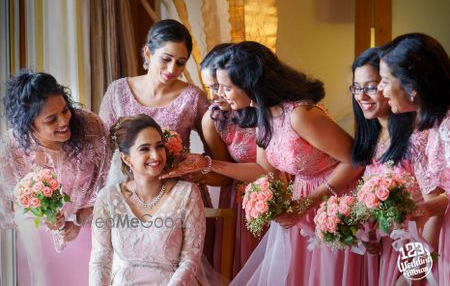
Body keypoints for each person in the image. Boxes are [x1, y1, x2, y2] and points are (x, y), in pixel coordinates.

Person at [163, 41, 364, 285]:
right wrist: (206, 164)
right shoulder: (263, 116)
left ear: (250, 83)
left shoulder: (301, 115)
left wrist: (308, 203)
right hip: (302, 203)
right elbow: (263, 170)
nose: (220, 96)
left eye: (226, 87)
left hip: (335, 198)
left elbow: (355, 160)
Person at [98, 19, 214, 260]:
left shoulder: (193, 97)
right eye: (166, 58)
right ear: (148, 53)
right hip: (126, 199)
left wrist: (192, 167)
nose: (172, 69)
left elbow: (215, 156)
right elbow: (101, 150)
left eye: (180, 63)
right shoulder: (117, 91)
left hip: (177, 202)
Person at [0, 71, 111, 285]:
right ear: (29, 125)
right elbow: (10, 204)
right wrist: (47, 220)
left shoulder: (90, 126)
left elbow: (109, 182)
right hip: (39, 230)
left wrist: (80, 218)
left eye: (65, 110)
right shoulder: (10, 151)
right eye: (51, 119)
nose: (63, 121)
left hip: (89, 222)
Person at [89, 114, 207, 285]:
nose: (156, 156)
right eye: (145, 149)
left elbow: (190, 259)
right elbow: (100, 260)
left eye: (159, 147)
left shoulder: (187, 194)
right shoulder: (107, 198)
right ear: (126, 158)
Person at [350, 47, 428, 285]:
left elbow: (434, 203)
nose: (362, 96)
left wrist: (414, 271)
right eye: (356, 87)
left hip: (419, 244)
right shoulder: (372, 136)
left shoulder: (418, 136)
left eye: (372, 87)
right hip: (387, 247)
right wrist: (370, 229)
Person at [378, 33, 450, 285]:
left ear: (411, 85)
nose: (379, 89)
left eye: (385, 81)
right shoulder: (423, 128)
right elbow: (441, 197)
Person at [200, 43, 265, 276]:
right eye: (208, 87)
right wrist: (198, 171)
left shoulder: (267, 110)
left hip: (285, 190)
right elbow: (225, 176)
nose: (214, 95)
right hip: (242, 203)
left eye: (218, 86)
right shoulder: (214, 120)